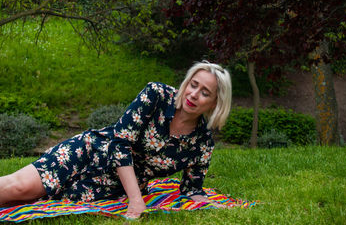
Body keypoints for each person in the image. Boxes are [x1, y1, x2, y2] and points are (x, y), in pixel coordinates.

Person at [0, 60, 232, 219]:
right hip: (86, 154)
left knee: (28, 199)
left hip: (108, 188)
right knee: (20, 187)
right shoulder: (157, 95)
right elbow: (120, 143)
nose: (194, 94)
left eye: (205, 93)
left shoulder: (202, 143)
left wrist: (211, 203)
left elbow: (192, 189)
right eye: (194, 85)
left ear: (215, 104)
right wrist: (136, 199)